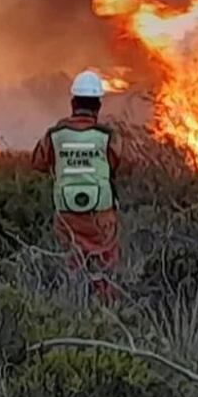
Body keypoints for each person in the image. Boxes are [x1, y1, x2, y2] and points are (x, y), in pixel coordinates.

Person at [32, 70, 123, 300]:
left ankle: (74, 306)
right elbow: (119, 163)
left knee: (71, 264)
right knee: (105, 266)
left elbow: (38, 163)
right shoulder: (106, 136)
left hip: (67, 215)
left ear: (73, 103)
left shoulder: (55, 135)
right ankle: (104, 311)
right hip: (100, 215)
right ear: (98, 106)